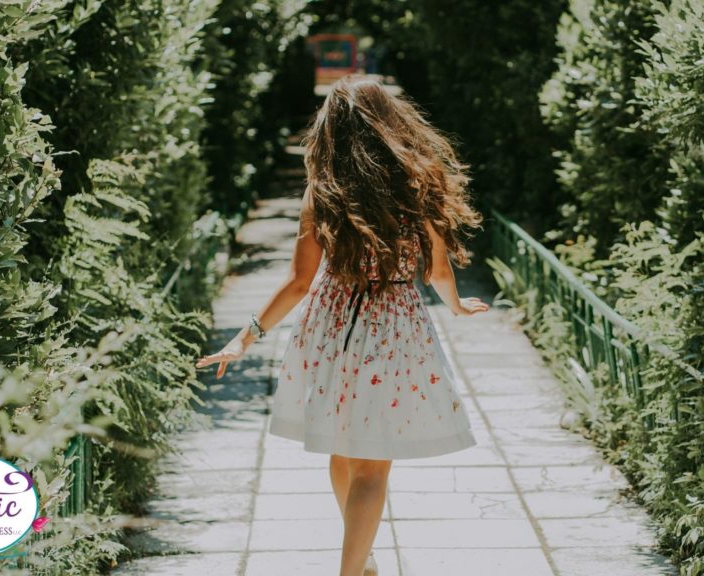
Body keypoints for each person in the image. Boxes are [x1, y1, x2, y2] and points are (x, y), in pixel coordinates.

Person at [195, 74, 490, 576]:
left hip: (332, 328)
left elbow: (297, 282)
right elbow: (438, 270)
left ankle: (362, 558)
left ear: (333, 130)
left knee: (343, 449)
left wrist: (244, 338)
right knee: (373, 466)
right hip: (394, 328)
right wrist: (457, 307)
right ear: (388, 122)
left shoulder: (324, 193)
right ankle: (355, 567)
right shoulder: (419, 186)